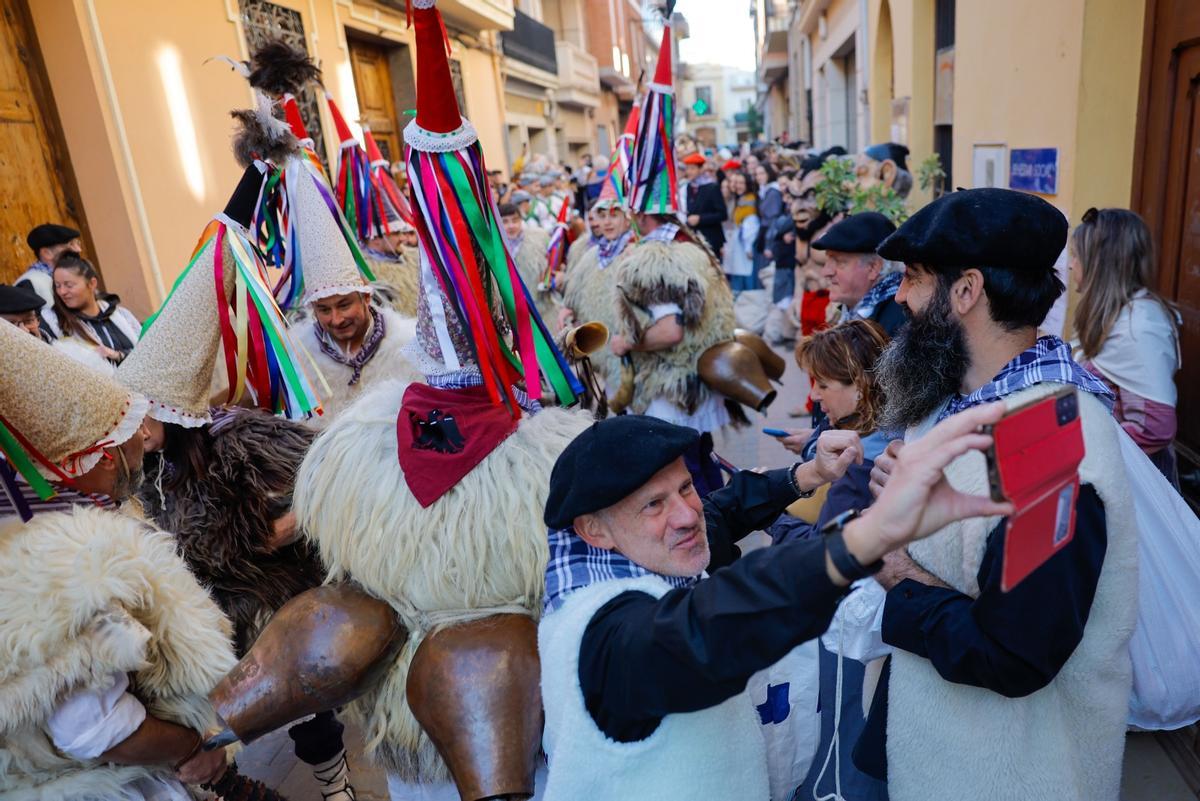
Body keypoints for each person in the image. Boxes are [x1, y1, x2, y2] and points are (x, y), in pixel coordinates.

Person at [537, 405, 1015, 801]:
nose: (686, 515)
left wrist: (808, 473)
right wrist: (862, 539)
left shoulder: (643, 553)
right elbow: (702, 634)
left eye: (685, 488)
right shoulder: (603, 634)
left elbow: (722, 512)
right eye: (653, 505)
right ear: (593, 529)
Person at [856, 187, 1138, 801]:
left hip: (1012, 775)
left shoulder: (1050, 444)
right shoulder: (957, 401)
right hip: (939, 750)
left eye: (911, 279)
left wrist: (902, 574)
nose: (899, 298)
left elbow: (1014, 653)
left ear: (966, 290)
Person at [116, 161, 356, 799]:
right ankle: (228, 784)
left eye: (144, 419)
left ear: (173, 413)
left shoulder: (242, 439)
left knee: (305, 707)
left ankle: (335, 786)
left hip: (271, 598)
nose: (134, 431)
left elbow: (330, 481)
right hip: (199, 610)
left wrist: (274, 535)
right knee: (188, 706)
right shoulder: (137, 463)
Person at [0, 320, 236, 799]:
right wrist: (192, 747)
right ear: (107, 454)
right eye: (133, 434)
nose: (142, 448)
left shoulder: (63, 534)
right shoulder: (69, 567)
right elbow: (98, 730)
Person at [767, 320, 892, 801]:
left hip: (847, 637)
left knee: (837, 751)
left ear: (859, 385)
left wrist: (772, 513)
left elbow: (825, 553)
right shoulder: (875, 433)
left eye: (824, 384)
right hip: (858, 630)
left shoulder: (863, 458)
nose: (815, 395)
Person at [1069, 206, 1181, 485]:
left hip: (1131, 484)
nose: (1071, 264)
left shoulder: (1138, 328)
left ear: (1100, 262)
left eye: (1076, 256)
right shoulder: (1114, 316)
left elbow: (1154, 427)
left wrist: (1084, 457)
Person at [814, 211, 906, 336]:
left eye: (839, 262)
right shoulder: (856, 309)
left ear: (873, 268)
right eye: (828, 260)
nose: (826, 272)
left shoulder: (900, 326)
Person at [49, 252, 141, 363]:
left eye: (69, 285)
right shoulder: (57, 325)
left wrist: (118, 355)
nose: (62, 292)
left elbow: (147, 350)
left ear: (92, 283)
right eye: (57, 286)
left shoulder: (121, 314)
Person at [501, 201, 557, 327]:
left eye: (515, 220)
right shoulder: (496, 247)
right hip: (512, 307)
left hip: (541, 304)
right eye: (505, 221)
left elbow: (553, 262)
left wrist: (554, 277)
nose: (511, 226)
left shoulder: (539, 238)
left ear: (521, 220)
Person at [17, 221, 81, 309]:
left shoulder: (76, 277)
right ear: (47, 253)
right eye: (71, 244)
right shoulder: (30, 283)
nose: (78, 250)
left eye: (77, 243)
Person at [682, 151, 727, 254]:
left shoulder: (712, 187)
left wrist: (700, 219)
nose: (689, 172)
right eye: (687, 168)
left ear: (701, 169)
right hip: (694, 239)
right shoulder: (689, 186)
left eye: (692, 168)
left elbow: (722, 214)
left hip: (711, 239)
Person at [722, 169, 759, 291]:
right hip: (739, 245)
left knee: (747, 278)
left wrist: (748, 246)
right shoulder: (740, 199)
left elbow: (751, 224)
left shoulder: (749, 199)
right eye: (737, 183)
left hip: (747, 245)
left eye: (741, 183)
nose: (738, 186)